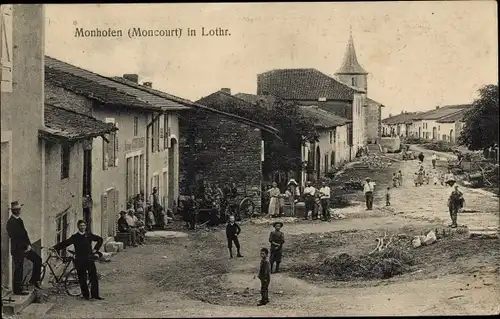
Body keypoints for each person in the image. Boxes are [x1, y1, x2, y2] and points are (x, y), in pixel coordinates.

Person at [52, 220, 103, 300]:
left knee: (93, 277)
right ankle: (85, 295)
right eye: (81, 226)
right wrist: (55, 247)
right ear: (78, 227)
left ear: (86, 226)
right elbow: (65, 243)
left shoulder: (89, 235)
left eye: (83, 225)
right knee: (82, 278)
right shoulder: (75, 237)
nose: (82, 227)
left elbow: (100, 239)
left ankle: (95, 295)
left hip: (89, 258)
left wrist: (95, 249)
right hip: (79, 259)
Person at [6, 201, 43, 295]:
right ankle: (17, 290)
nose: (18, 211)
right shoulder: (10, 223)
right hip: (17, 249)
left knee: (38, 259)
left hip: (25, 247)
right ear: (12, 211)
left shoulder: (19, 220)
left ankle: (34, 280)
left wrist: (29, 245)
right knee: (19, 268)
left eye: (19, 209)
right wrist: (25, 246)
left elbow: (25, 234)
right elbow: (15, 238)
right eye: (15, 210)